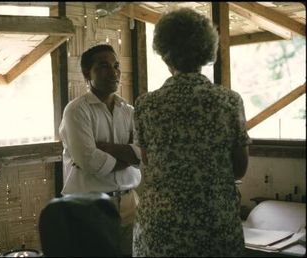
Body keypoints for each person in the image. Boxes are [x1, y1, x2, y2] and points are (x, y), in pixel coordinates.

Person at [133, 8, 250, 257]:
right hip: (213, 224)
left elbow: (148, 161)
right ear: (207, 52)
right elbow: (239, 168)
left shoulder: (146, 105)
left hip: (159, 228)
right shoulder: (229, 101)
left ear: (165, 55)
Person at [59, 44, 141, 257]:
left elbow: (143, 154)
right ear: (88, 73)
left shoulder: (129, 111)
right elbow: (90, 161)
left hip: (130, 204)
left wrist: (109, 149)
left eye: (116, 66)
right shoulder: (77, 110)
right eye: (103, 66)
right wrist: (128, 154)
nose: (114, 72)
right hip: (89, 206)